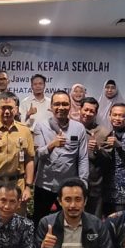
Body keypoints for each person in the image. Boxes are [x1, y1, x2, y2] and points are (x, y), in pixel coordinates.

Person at [31, 91, 88, 225]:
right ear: (51, 107)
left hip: (69, 186)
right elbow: (38, 154)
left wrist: (83, 184)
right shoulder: (41, 126)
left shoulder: (79, 128)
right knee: (40, 222)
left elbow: (83, 158)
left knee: (69, 223)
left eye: (64, 104)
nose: (61, 107)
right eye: (57, 104)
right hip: (45, 185)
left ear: (70, 106)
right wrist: (52, 145)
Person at [98, 103, 125, 215]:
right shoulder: (106, 134)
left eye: (121, 116)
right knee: (106, 221)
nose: (117, 118)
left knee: (121, 221)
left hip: (122, 189)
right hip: (105, 188)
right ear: (109, 116)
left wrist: (119, 146)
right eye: (114, 115)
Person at [79, 97, 109, 216]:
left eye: (91, 111)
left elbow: (108, 160)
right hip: (73, 183)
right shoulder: (70, 128)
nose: (87, 113)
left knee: (93, 221)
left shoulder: (103, 132)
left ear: (96, 113)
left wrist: (98, 150)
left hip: (94, 185)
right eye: (85, 110)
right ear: (80, 109)